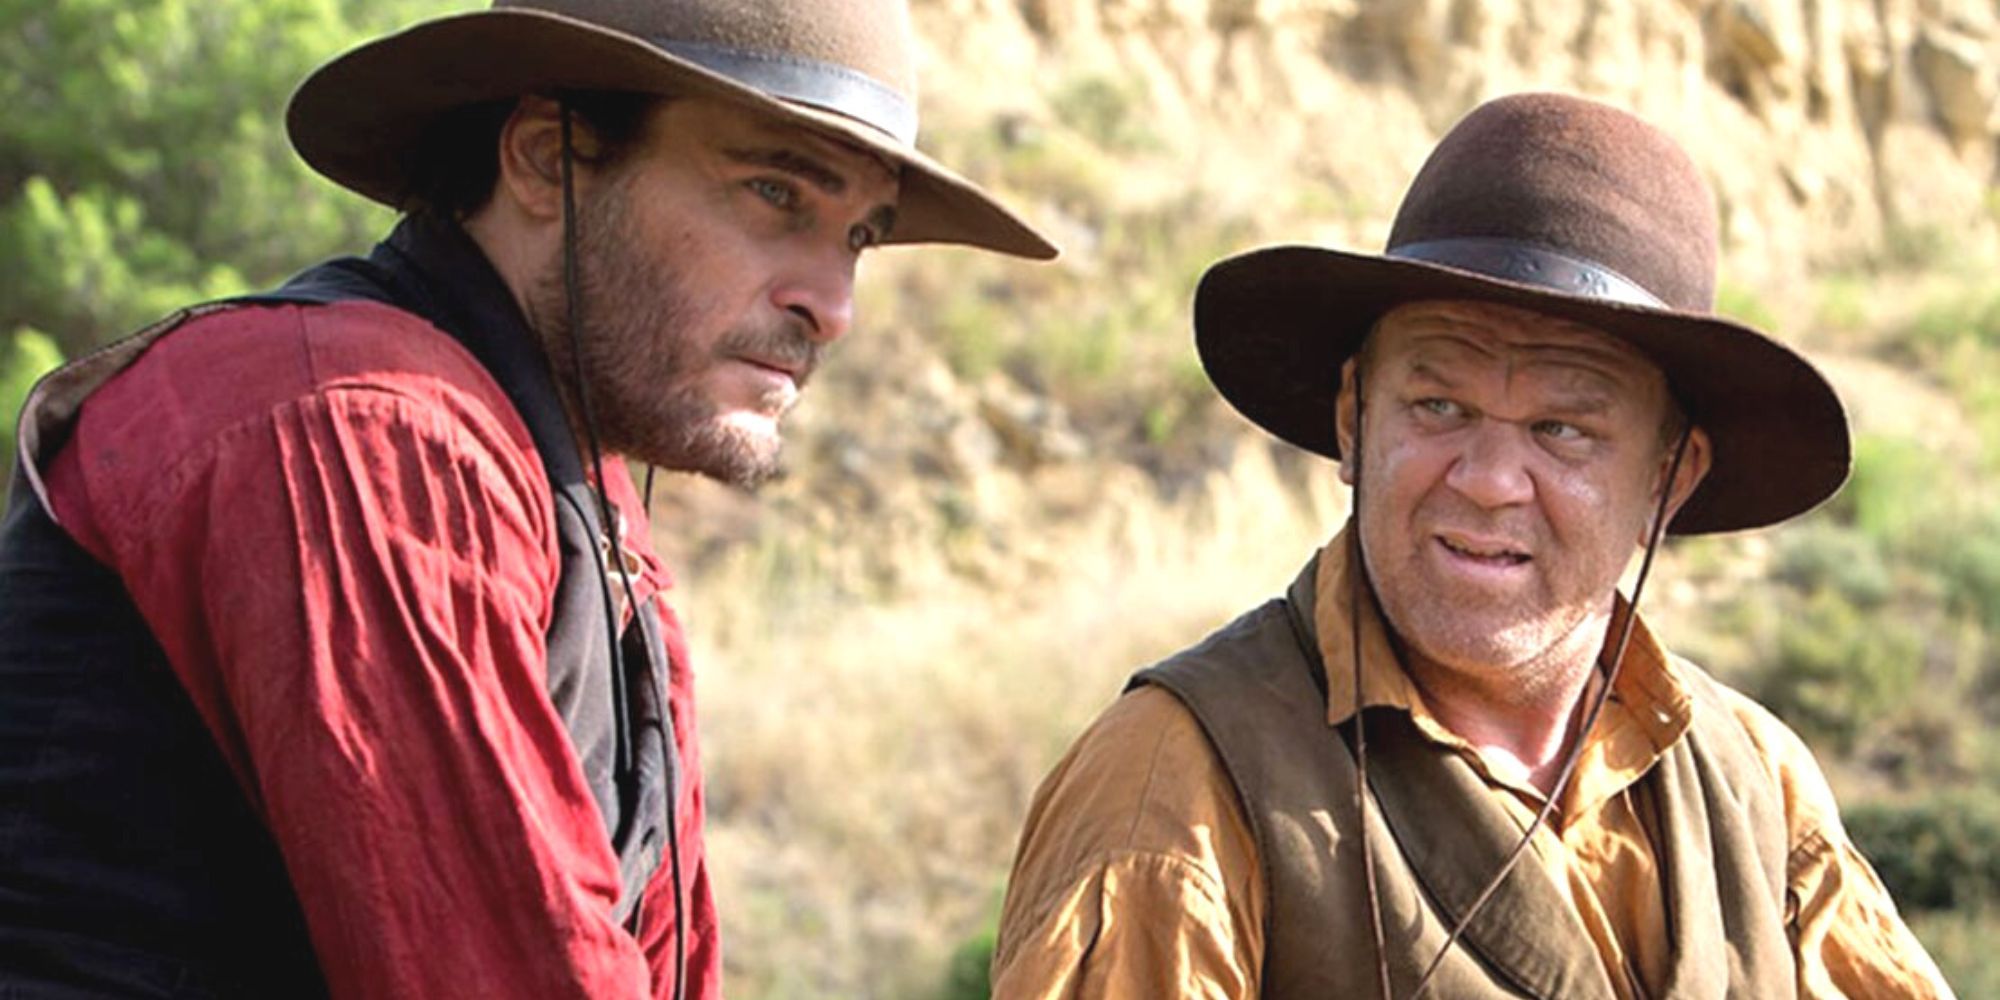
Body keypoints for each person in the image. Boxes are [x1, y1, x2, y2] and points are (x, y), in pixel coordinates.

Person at [0, 1, 1053, 997]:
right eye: (775, 194)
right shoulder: (362, 425)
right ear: (548, 161)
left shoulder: (578, 506)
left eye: (858, 237)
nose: (830, 305)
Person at [990, 93, 1951, 999]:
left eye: (1563, 430)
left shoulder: (1754, 788)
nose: (1489, 479)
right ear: (1355, 422)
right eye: (1438, 405)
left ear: (1670, 478)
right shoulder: (1178, 781)